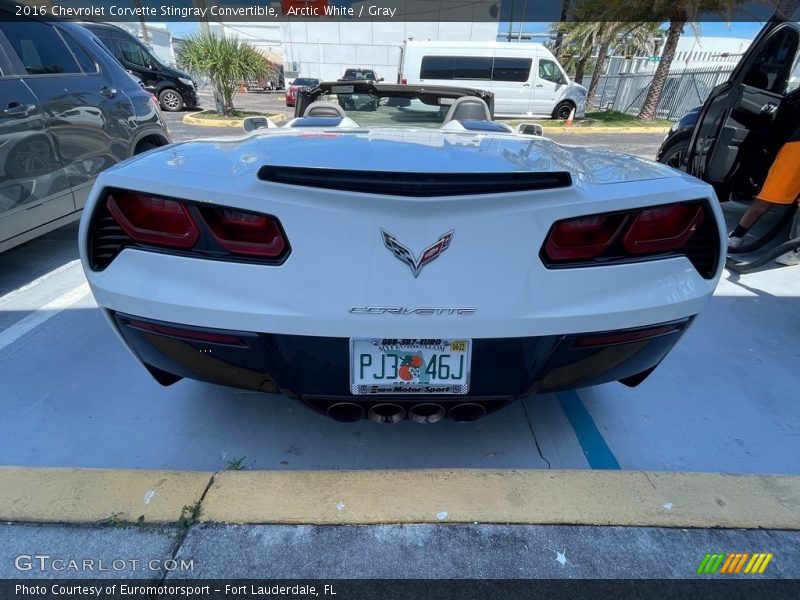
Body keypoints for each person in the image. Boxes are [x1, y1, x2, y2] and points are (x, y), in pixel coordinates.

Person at [728, 123, 800, 266]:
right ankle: (795, 250)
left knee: (772, 191)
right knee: (771, 192)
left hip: (795, 145)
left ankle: (737, 236)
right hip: (796, 145)